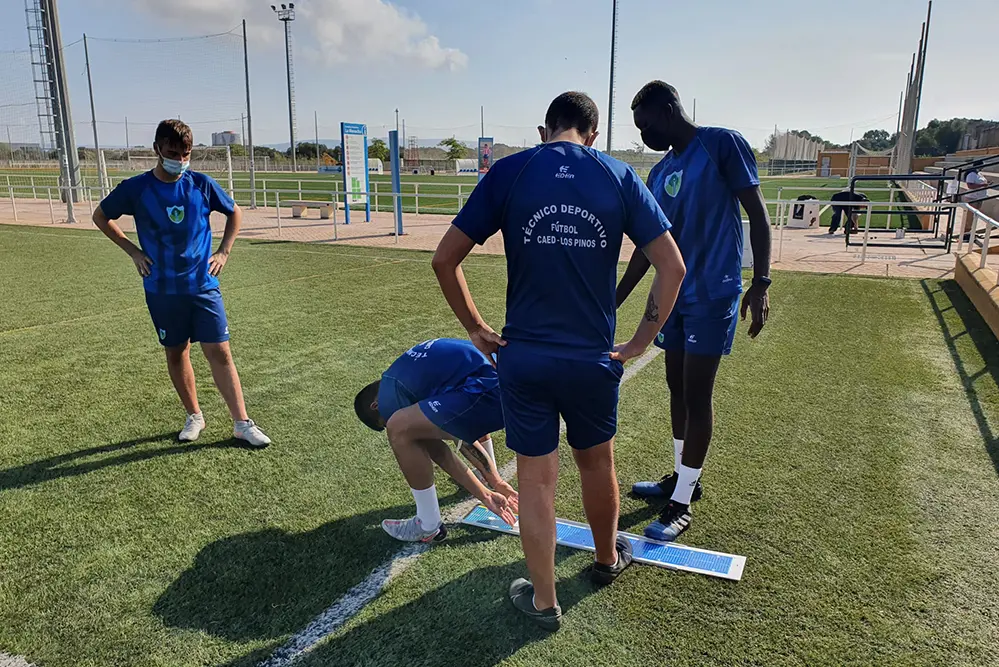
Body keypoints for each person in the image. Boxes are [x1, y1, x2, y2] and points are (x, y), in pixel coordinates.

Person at [432, 91, 686, 631]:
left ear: (545, 130)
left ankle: (545, 602)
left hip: (523, 359)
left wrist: (477, 328)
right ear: (592, 134)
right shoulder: (617, 175)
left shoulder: (511, 172)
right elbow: (673, 266)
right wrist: (641, 340)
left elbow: (444, 259)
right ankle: (605, 559)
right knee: (598, 464)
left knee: (537, 480)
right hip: (591, 360)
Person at [617, 81, 771, 543]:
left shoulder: (722, 144)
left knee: (697, 391)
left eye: (646, 126)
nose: (644, 136)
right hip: (674, 297)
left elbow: (758, 215)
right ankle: (686, 477)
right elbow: (649, 249)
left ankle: (681, 503)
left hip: (713, 293)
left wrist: (761, 282)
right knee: (675, 386)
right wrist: (613, 300)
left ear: (668, 110)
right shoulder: (660, 172)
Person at [92, 119, 271, 448]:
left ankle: (242, 423)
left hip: (203, 285)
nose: (180, 159)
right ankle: (195, 416)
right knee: (176, 353)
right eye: (173, 152)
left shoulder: (201, 184)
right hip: (162, 289)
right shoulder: (136, 188)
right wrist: (133, 251)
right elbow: (100, 216)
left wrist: (224, 251)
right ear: (157, 149)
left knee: (220, 352)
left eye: (186, 153)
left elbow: (235, 212)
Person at [353, 338, 519, 542]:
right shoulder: (405, 375)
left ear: (375, 406)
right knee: (432, 421)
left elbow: (444, 447)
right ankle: (482, 479)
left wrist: (491, 486)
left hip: (496, 390)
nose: (387, 420)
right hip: (511, 378)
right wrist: (488, 486)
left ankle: (427, 523)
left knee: (400, 427)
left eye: (382, 421)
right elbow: (457, 432)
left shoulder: (391, 393)